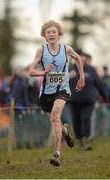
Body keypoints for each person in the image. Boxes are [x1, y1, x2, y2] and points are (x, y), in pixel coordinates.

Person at [29, 20, 85, 166]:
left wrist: (81, 76)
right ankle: (65, 131)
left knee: (55, 114)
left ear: (58, 34)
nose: (51, 34)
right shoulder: (41, 50)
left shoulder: (66, 49)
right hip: (47, 93)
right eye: (48, 32)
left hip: (63, 88)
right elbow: (31, 71)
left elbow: (78, 58)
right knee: (55, 122)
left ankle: (57, 154)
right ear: (45, 36)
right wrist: (43, 72)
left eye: (54, 32)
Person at [69, 50, 108, 150]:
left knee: (86, 119)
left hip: (89, 100)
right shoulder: (70, 70)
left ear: (84, 57)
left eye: (81, 56)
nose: (79, 58)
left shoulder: (91, 70)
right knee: (76, 121)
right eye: (76, 56)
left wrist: (104, 96)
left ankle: (86, 139)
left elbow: (98, 83)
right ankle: (79, 139)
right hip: (73, 101)